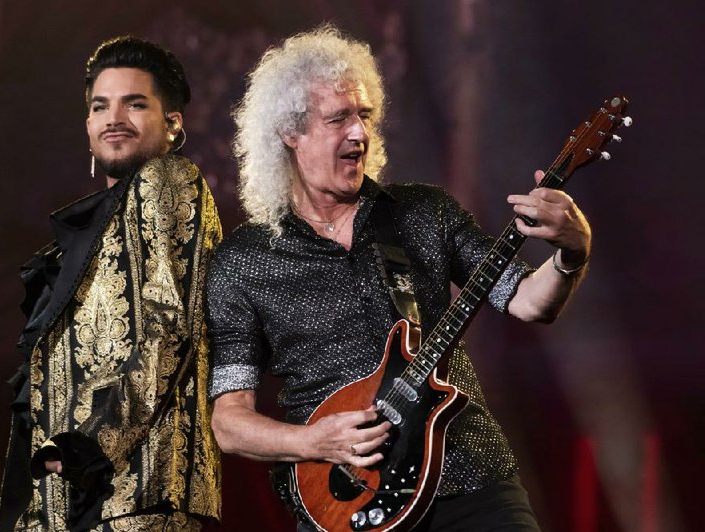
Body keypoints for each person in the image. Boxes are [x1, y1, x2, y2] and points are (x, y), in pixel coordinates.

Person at [207, 25, 591, 530]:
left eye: (364, 116)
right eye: (339, 118)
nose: (360, 133)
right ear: (290, 131)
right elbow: (229, 423)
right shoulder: (243, 261)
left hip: (468, 476)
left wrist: (572, 251)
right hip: (345, 497)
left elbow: (529, 302)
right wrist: (314, 441)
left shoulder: (424, 212)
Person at [0, 36, 222, 531]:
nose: (114, 117)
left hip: (136, 497)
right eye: (101, 106)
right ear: (89, 125)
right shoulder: (97, 231)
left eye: (135, 103)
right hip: (72, 502)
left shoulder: (167, 180)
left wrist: (92, 443)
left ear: (173, 123)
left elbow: (169, 329)